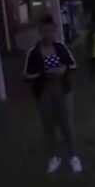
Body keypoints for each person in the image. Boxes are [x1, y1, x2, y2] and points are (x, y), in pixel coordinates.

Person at [24, 15, 83, 174]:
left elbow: (73, 66)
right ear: (40, 31)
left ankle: (74, 157)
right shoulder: (34, 52)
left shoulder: (60, 47)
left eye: (51, 30)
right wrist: (42, 74)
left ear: (55, 31)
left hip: (62, 90)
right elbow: (27, 76)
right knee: (48, 126)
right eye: (45, 30)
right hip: (44, 92)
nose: (49, 34)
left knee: (66, 124)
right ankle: (54, 157)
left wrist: (64, 70)